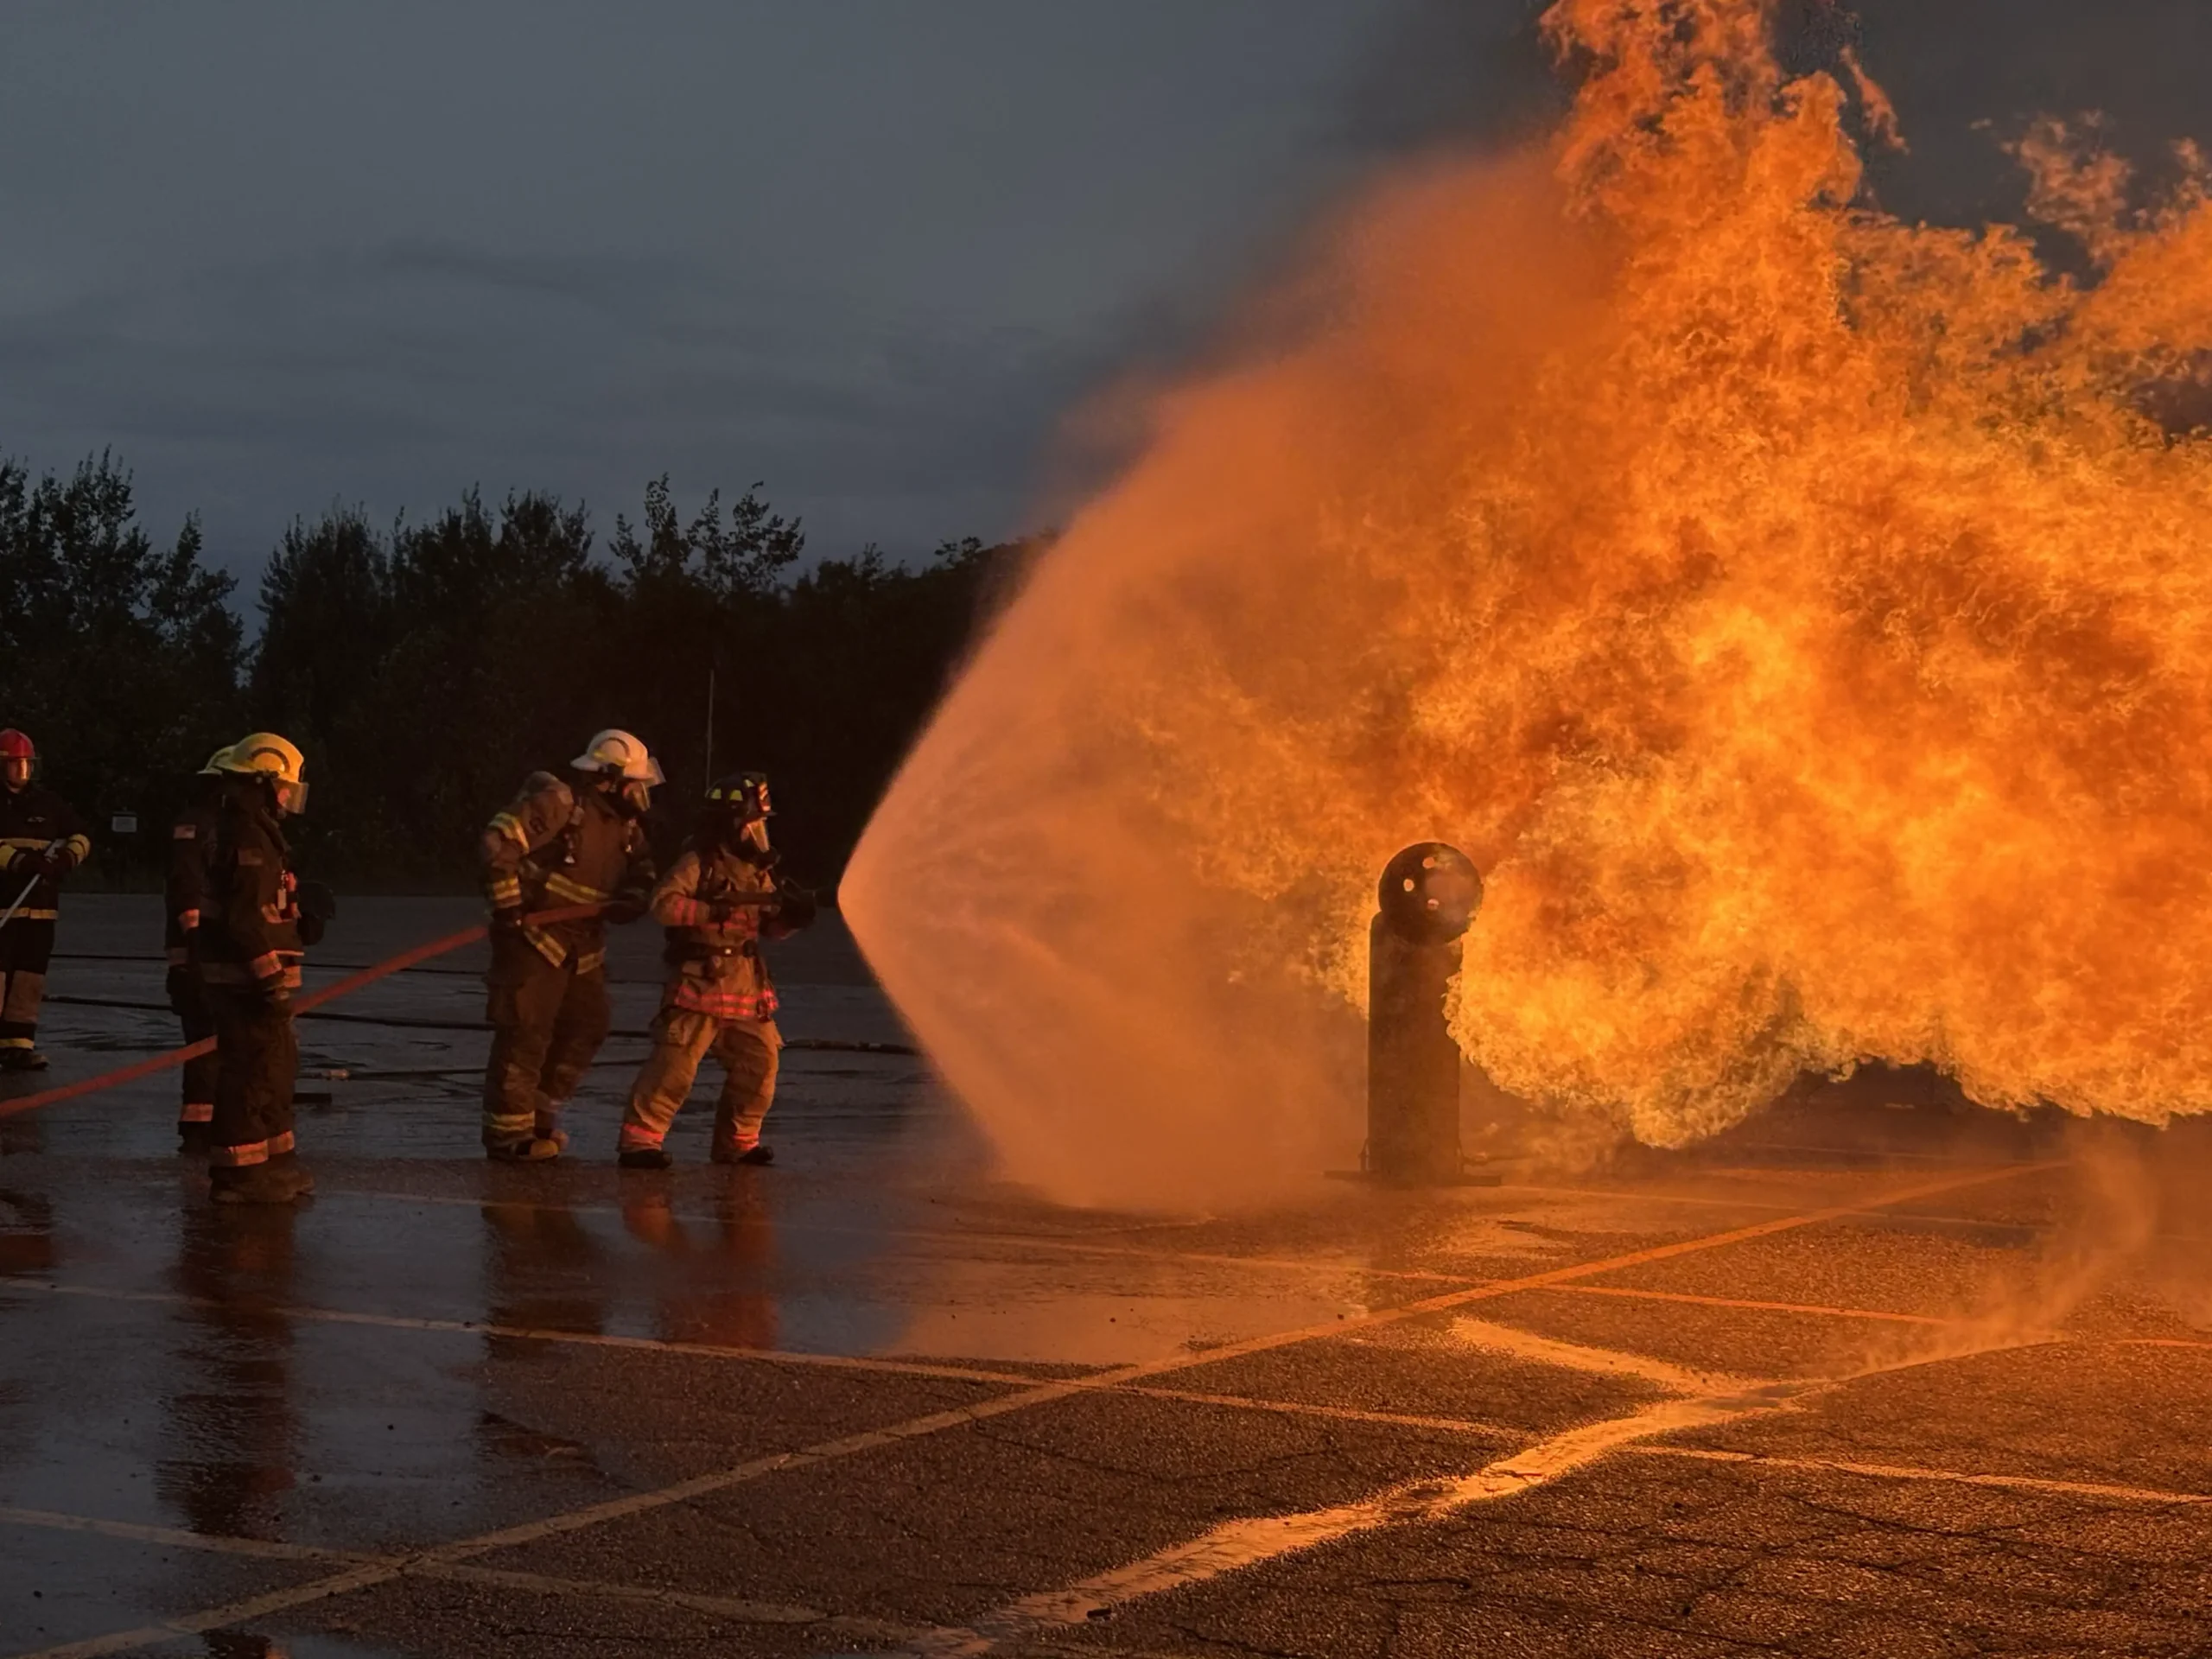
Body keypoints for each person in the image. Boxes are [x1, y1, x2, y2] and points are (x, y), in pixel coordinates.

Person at [478, 728, 659, 1161]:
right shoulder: (560, 805)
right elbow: (496, 844)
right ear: (608, 779)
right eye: (635, 782)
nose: (641, 793)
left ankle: (540, 1115)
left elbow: (644, 868)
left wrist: (635, 897)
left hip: (584, 945)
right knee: (526, 1032)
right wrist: (509, 906)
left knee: (587, 1025)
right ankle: (508, 1136)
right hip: (533, 939)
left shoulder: (626, 827)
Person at [618, 772, 814, 1170]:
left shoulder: (758, 871)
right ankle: (640, 1143)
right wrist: (710, 911)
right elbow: (663, 905)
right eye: (754, 823)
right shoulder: (698, 863)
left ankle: (739, 1144)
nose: (759, 832)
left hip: (745, 983)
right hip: (700, 981)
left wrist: (793, 919)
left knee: (760, 1064)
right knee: (674, 1067)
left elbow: (769, 929)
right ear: (732, 823)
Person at [197, 734, 320, 1204]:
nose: (290, 796)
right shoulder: (246, 835)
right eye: (285, 786)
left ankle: (271, 1165)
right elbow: (243, 919)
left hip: (252, 978)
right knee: (250, 1072)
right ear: (265, 781)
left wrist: (300, 919)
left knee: (274, 1069)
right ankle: (240, 1177)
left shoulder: (255, 830)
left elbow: (262, 908)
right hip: (244, 981)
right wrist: (269, 979)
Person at [0, 728, 92, 1072]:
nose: (22, 771)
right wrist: (20, 862)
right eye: (15, 764)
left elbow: (81, 835)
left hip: (40, 909)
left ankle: (18, 1045)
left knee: (29, 978)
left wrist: (67, 858)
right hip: (4, 904)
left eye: (27, 764)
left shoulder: (47, 803)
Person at [168, 747, 232, 1153]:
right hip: (198, 955)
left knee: (217, 1042)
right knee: (205, 1037)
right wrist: (196, 944)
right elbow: (187, 886)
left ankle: (208, 1124)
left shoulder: (228, 828)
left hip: (214, 952)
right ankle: (200, 1128)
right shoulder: (199, 826)